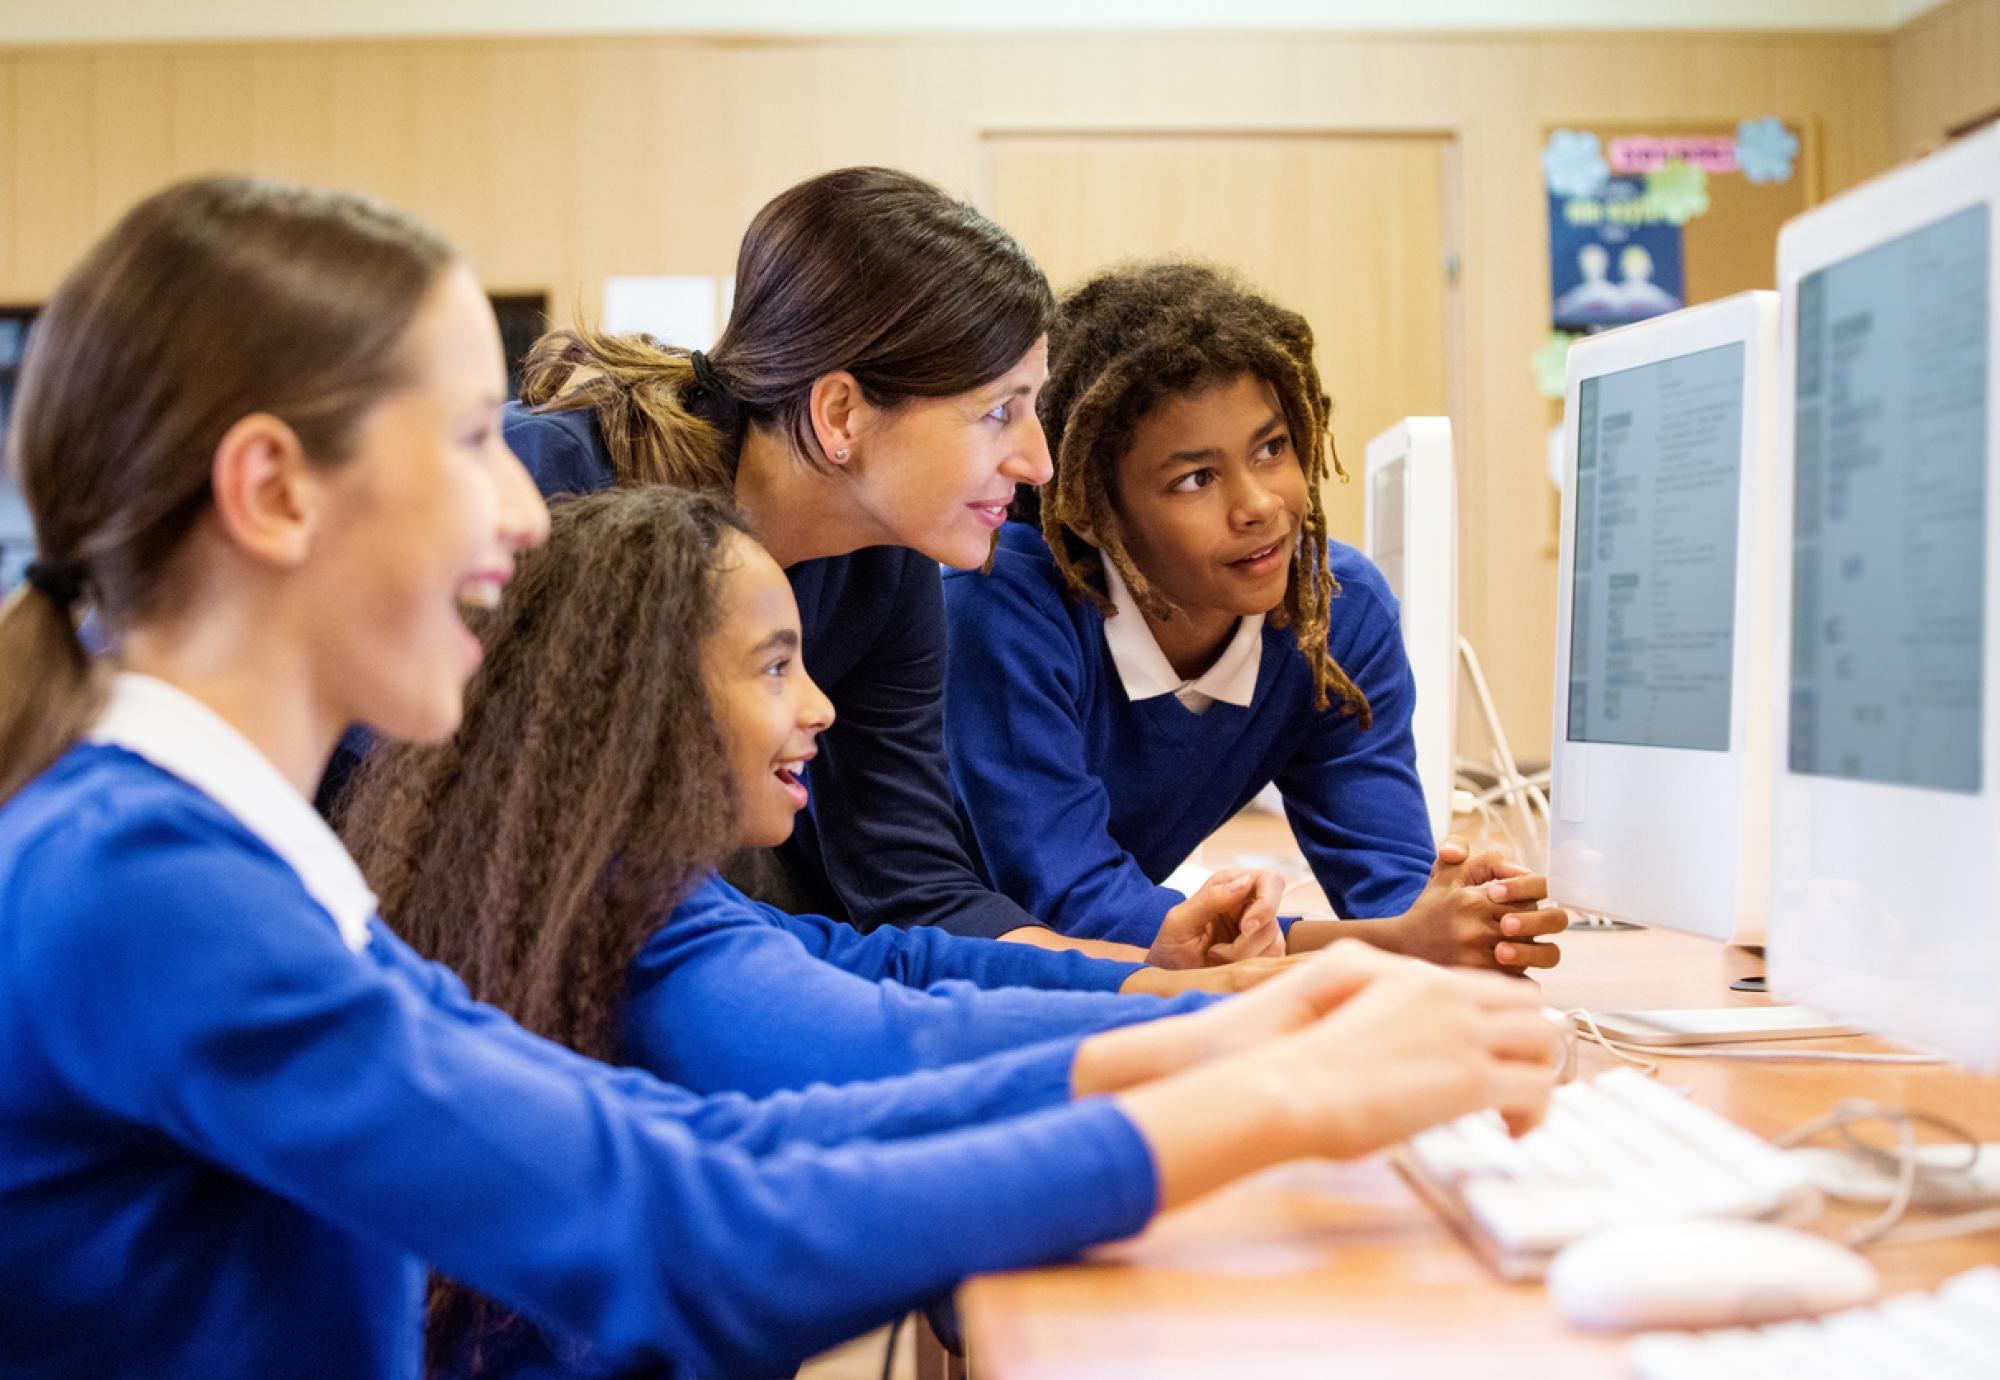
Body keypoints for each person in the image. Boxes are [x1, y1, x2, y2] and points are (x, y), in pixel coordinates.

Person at [0, 176, 1560, 1380]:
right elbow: (678, 1227)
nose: (529, 514)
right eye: (475, 436)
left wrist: (1235, 1033)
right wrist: (1280, 1090)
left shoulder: (215, 857)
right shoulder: (151, 891)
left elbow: (708, 1140)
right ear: (274, 491)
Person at [486, 166, 1284, 966]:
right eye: (999, 411)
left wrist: (1147, 969)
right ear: (842, 414)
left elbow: (912, 885)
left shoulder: (887, 568)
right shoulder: (541, 495)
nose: (1039, 462)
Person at [943, 263, 1569, 971]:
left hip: (1089, 979)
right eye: (1196, 479)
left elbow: (1390, 888)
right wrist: (1381, 944)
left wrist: (1459, 925)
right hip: (912, 963)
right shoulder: (1002, 603)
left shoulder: (1333, 609)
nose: (1260, 505)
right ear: (1089, 508)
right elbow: (1073, 899)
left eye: (1272, 449)